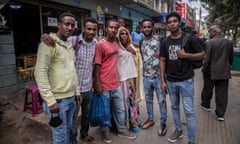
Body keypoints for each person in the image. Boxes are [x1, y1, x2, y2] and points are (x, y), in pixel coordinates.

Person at [41, 17, 98, 144]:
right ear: (83, 28)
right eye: (89, 28)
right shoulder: (72, 40)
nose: (91, 32)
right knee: (71, 122)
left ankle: (84, 134)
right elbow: (55, 41)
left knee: (86, 116)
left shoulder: (96, 43)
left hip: (87, 88)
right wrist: (45, 37)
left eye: (94, 29)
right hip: (72, 91)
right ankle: (73, 140)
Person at [34, 13, 81, 144]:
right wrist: (50, 100)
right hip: (57, 101)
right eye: (66, 24)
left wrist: (76, 92)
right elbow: (40, 73)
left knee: (68, 129)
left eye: (72, 25)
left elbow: (72, 70)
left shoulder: (70, 44)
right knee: (60, 136)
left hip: (71, 99)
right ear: (59, 25)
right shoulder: (48, 44)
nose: (70, 28)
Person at [160, 12, 204, 144]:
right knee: (174, 107)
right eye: (169, 22)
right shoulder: (165, 41)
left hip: (186, 80)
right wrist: (162, 80)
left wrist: (186, 56)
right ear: (167, 25)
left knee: (189, 111)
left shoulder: (190, 38)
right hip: (171, 81)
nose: (172, 24)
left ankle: (191, 139)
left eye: (174, 21)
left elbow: (203, 54)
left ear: (179, 23)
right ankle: (178, 130)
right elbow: (162, 60)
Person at [94, 19, 136, 144]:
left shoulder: (117, 42)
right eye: (111, 27)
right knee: (105, 111)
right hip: (104, 84)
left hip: (116, 83)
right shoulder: (100, 44)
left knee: (120, 109)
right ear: (106, 28)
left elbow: (128, 45)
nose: (113, 29)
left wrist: (133, 47)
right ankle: (105, 132)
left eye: (115, 28)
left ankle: (121, 130)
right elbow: (97, 65)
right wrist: (98, 84)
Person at [139, 19, 167, 137]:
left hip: (158, 77)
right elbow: (142, 57)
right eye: (144, 27)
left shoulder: (160, 40)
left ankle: (163, 123)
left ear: (153, 28)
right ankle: (150, 119)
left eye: (149, 27)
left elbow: (164, 59)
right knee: (149, 100)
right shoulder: (141, 42)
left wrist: (163, 79)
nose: (147, 29)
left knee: (161, 101)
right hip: (146, 78)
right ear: (141, 28)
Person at [200, 25, 233, 121]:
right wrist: (227, 66)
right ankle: (220, 114)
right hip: (224, 71)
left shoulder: (210, 42)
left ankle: (206, 105)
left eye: (210, 31)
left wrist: (204, 68)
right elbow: (230, 57)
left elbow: (207, 58)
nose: (209, 33)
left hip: (210, 71)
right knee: (222, 93)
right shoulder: (228, 42)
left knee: (207, 88)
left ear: (215, 32)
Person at [116, 26, 141, 133]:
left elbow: (138, 61)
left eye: (126, 33)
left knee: (132, 102)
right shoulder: (116, 47)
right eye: (122, 33)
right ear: (118, 35)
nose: (124, 35)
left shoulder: (132, 46)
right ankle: (123, 124)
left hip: (131, 79)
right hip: (120, 80)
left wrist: (133, 51)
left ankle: (133, 122)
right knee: (122, 103)